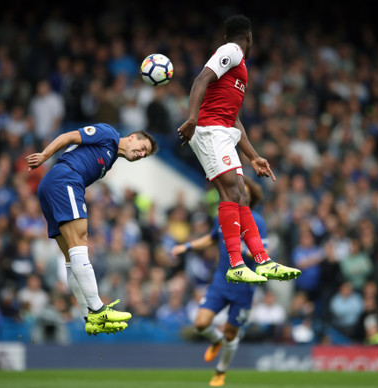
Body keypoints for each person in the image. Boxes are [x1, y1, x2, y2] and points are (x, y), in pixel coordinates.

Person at [177, 15, 301, 284]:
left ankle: (262, 260)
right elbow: (200, 80)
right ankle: (236, 263)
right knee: (232, 191)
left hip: (221, 130)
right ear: (249, 37)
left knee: (240, 195)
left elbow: (233, 118)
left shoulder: (238, 67)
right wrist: (192, 119)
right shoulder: (231, 51)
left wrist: (253, 156)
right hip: (209, 130)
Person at [26, 123, 158, 334]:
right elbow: (69, 136)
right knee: (80, 244)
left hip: (53, 184)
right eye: (143, 147)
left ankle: (88, 316)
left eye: (145, 155)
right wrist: (45, 155)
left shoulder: (111, 158)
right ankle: (98, 310)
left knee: (71, 256)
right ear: (132, 137)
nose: (141, 154)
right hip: (66, 179)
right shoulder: (109, 134)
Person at [171, 177, 266, 387]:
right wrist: (186, 247)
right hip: (221, 281)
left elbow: (262, 252)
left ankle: (220, 371)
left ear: (251, 197)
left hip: (244, 287)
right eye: (240, 189)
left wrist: (242, 250)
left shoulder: (257, 222)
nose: (242, 193)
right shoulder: (222, 216)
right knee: (200, 323)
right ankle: (215, 340)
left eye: (246, 191)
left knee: (231, 333)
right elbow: (211, 238)